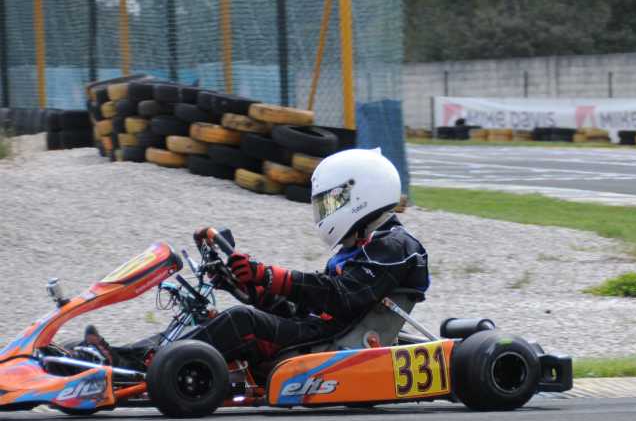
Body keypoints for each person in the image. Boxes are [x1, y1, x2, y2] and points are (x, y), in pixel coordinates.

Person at [79, 148, 429, 369]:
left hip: (332, 341)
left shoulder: (395, 245)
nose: (326, 211)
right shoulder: (361, 244)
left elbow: (340, 296)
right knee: (206, 317)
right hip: (318, 327)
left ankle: (148, 368)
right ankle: (117, 359)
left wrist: (269, 276)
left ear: (362, 193)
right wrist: (247, 285)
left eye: (332, 201)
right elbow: (310, 303)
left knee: (242, 321)